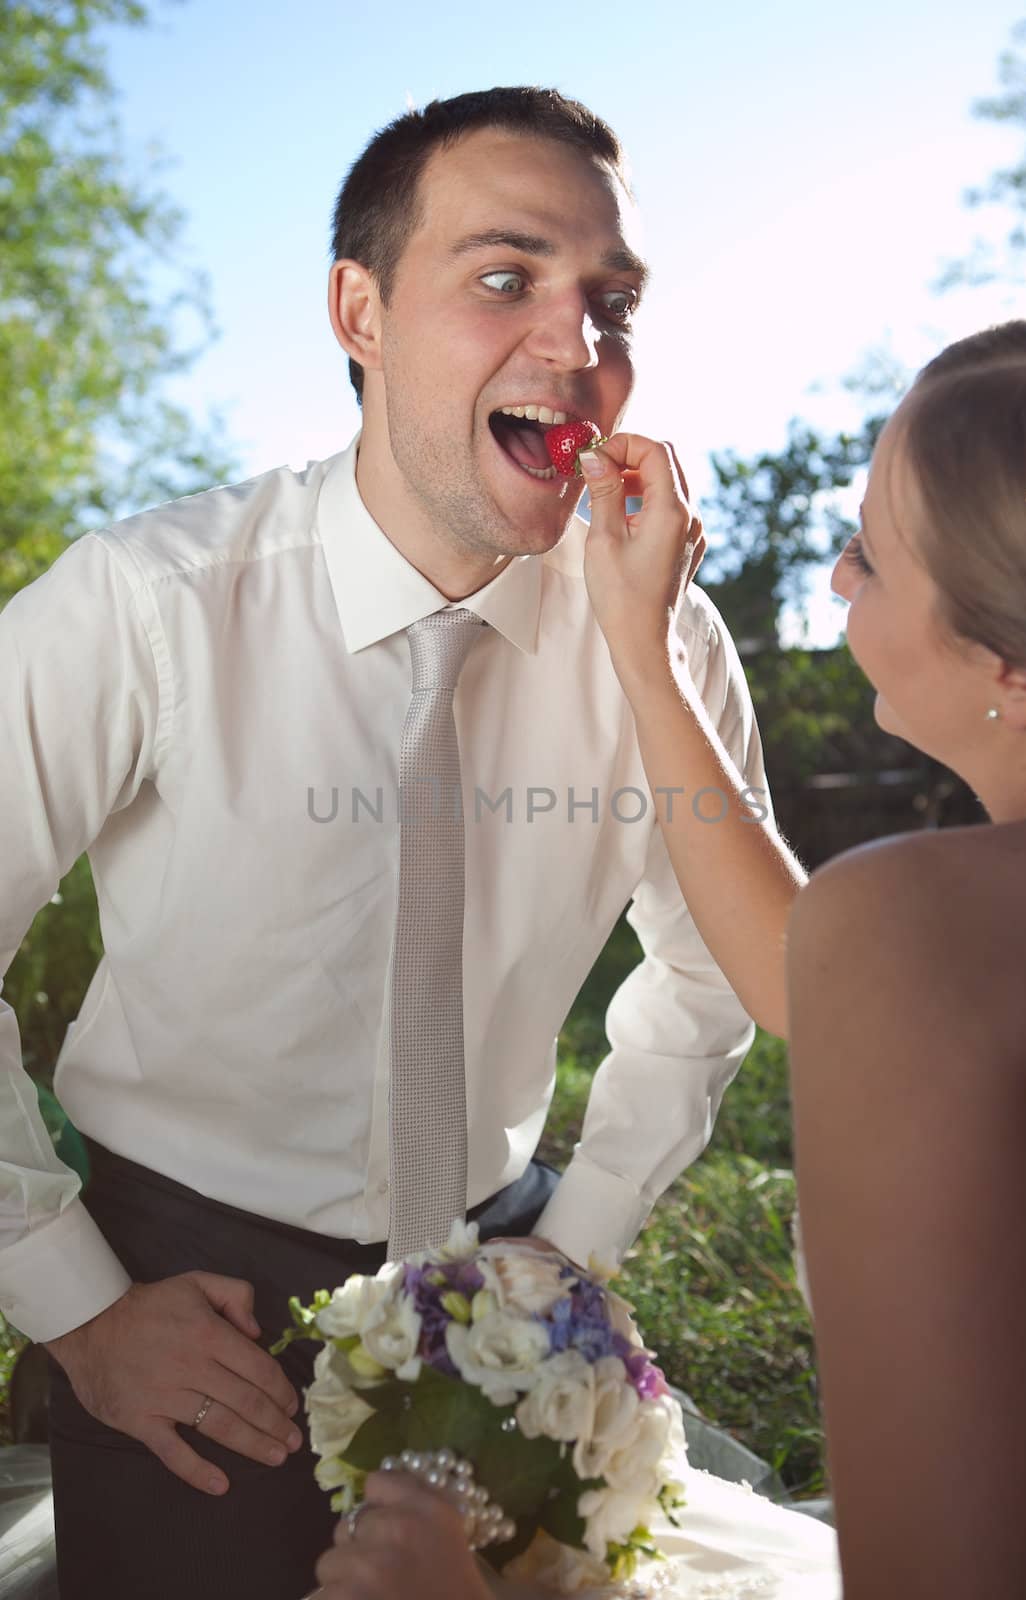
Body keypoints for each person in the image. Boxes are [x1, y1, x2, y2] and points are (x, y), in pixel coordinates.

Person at [0, 87, 804, 1600]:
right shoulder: (142, 603)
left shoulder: (654, 630)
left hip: (507, 1277)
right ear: (357, 311)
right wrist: (79, 1310)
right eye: (505, 279)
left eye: (608, 302)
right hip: (192, 1295)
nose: (577, 347)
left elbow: (709, 975)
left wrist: (576, 1249)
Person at [311, 319, 1026, 1600]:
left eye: (870, 557)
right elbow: (797, 979)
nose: (832, 582)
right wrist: (642, 642)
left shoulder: (916, 929)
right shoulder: (944, 941)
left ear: (1007, 668)